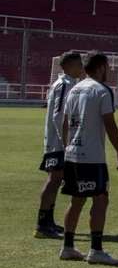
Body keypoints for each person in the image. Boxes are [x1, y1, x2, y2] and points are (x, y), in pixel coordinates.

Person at [58, 51, 118, 265]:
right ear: (100, 67)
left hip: (73, 154)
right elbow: (110, 123)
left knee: (76, 199)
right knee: (100, 198)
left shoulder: (75, 89)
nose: (109, 70)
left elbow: (65, 123)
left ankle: (67, 247)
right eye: (107, 66)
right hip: (93, 156)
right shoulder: (102, 90)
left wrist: (66, 147)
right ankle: (96, 250)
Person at [35, 51, 82, 238]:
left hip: (60, 141)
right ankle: (42, 224)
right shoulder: (63, 85)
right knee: (53, 180)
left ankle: (48, 222)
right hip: (58, 142)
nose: (81, 67)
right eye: (78, 64)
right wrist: (65, 142)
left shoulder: (70, 84)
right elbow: (58, 115)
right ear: (69, 66)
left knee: (56, 180)